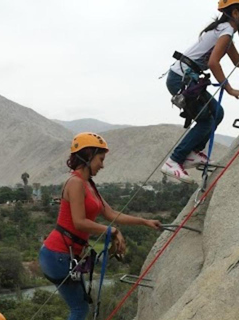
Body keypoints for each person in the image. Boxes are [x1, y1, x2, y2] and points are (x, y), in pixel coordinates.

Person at [39, 132, 162, 320]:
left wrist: (144, 221)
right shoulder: (75, 183)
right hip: (59, 254)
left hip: (62, 254)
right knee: (79, 310)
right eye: (100, 159)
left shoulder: (88, 184)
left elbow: (110, 214)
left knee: (80, 308)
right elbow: (79, 221)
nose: (102, 165)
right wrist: (111, 231)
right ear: (88, 155)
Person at [160, 0, 239, 184]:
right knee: (207, 119)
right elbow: (214, 63)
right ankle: (174, 160)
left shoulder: (224, 31)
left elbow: (238, 61)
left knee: (216, 113)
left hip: (182, 77)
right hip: (181, 78)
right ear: (236, 13)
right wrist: (229, 89)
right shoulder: (226, 31)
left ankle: (191, 153)